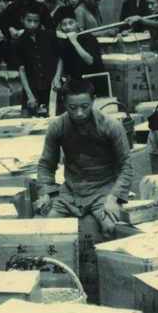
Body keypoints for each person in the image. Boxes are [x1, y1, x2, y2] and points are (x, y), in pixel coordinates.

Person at [36, 78, 132, 238]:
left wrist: (113, 198)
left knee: (112, 228)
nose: (79, 113)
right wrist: (45, 192)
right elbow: (46, 164)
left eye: (84, 106)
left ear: (93, 101)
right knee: (47, 229)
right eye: (73, 108)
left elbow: (126, 166)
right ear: (64, 103)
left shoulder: (111, 126)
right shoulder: (57, 126)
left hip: (103, 189)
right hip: (71, 191)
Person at [16, 5, 62, 116]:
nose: (32, 24)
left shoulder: (50, 35)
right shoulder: (18, 42)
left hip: (52, 86)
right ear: (22, 20)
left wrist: (57, 77)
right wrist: (29, 95)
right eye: (29, 21)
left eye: (36, 21)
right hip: (32, 88)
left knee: (55, 117)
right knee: (28, 119)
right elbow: (21, 69)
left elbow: (60, 58)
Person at [55, 6, 104, 81]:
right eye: (64, 25)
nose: (68, 27)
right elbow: (61, 58)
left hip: (92, 80)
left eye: (71, 23)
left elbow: (90, 61)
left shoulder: (89, 38)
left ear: (77, 23)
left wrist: (74, 42)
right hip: (75, 81)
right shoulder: (64, 40)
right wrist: (57, 77)